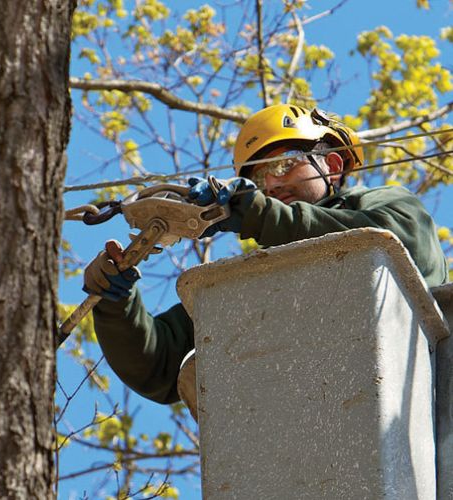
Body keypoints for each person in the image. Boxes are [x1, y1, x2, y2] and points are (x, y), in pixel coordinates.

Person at [83, 104, 448, 405]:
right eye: (259, 180)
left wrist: (261, 214)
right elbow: (159, 366)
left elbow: (396, 243)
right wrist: (116, 304)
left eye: (283, 164)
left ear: (332, 165)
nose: (272, 184)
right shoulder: (261, 281)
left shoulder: (383, 205)